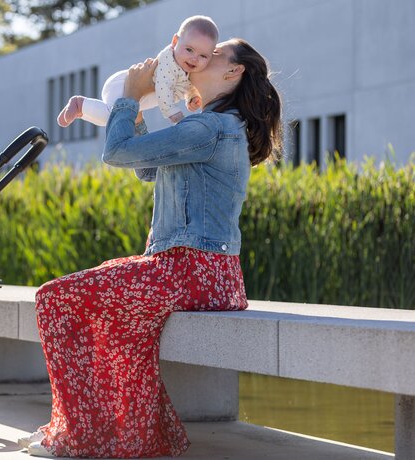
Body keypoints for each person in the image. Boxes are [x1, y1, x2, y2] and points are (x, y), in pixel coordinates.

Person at [20, 38, 282, 458]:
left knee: (55, 298)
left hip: (191, 270)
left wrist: (126, 98)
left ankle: (77, 434)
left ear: (233, 73)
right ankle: (120, 436)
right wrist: (138, 106)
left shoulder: (210, 128)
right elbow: (143, 167)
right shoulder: (207, 123)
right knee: (122, 325)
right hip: (197, 271)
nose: (199, 57)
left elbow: (117, 154)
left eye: (213, 54)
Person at [57, 15, 219, 128]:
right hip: (123, 84)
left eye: (203, 55)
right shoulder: (168, 63)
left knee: (107, 119)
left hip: (133, 92)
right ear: (175, 41)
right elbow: (163, 88)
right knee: (114, 117)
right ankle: (80, 104)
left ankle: (81, 111)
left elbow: (187, 86)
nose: (194, 58)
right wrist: (173, 113)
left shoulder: (185, 70)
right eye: (189, 49)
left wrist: (191, 97)